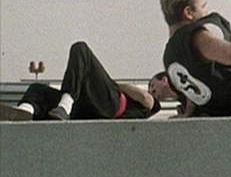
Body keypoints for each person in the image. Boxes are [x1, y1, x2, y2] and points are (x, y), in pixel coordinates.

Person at [0, 41, 162, 121]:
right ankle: (26, 111)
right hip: (87, 110)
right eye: (150, 86)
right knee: (38, 89)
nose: (151, 89)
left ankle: (65, 105)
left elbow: (145, 98)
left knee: (81, 48)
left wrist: (112, 84)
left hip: (112, 106)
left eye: (152, 85)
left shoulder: (152, 104)